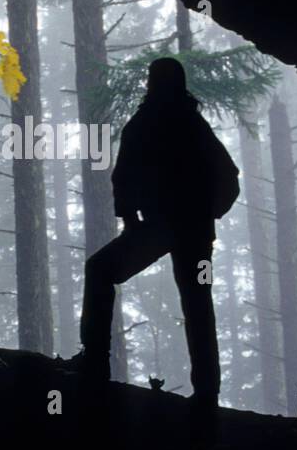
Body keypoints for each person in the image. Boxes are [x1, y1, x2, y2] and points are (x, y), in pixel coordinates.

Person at [74, 57, 240, 409]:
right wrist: (209, 216)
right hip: (193, 232)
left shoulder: (145, 122)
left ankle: (95, 361)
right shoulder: (195, 125)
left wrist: (131, 218)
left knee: (100, 270)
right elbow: (229, 176)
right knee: (198, 305)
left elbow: (123, 174)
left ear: (153, 83)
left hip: (158, 227)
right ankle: (207, 391)